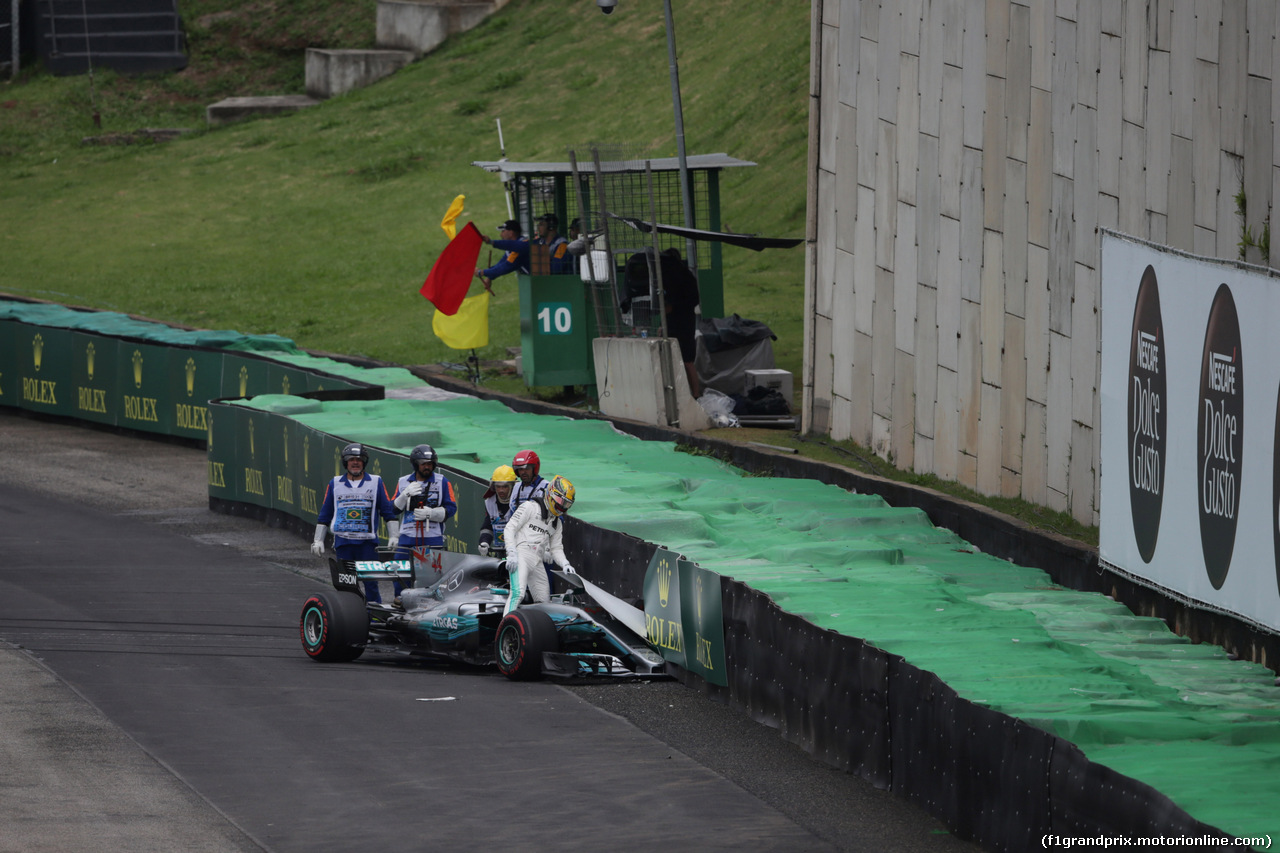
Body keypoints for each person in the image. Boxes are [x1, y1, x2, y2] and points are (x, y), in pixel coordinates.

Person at [312, 443, 399, 603]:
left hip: (368, 544)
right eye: (351, 459)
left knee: (371, 584)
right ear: (345, 462)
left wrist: (394, 536)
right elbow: (325, 514)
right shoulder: (335, 483)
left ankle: (374, 617)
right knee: (346, 585)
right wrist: (318, 539)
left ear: (364, 462)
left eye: (359, 459)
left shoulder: (376, 482)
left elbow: (388, 511)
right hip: (343, 544)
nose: (355, 462)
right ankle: (349, 616)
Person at [502, 474, 577, 615]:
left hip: (537, 561)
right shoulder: (529, 507)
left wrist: (565, 564)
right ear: (551, 494)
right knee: (518, 594)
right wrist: (511, 553)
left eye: (567, 504)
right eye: (561, 501)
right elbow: (509, 528)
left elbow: (556, 548)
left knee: (544, 602)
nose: (562, 506)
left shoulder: (557, 522)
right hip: (521, 556)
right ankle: (504, 630)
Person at [391, 444, 457, 593]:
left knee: (433, 577)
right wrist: (404, 496)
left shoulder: (442, 481)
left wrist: (431, 514)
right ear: (415, 464)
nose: (427, 467)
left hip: (432, 538)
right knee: (399, 571)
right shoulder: (403, 482)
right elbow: (393, 509)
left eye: (430, 464)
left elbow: (451, 508)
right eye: (423, 464)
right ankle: (400, 599)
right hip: (407, 538)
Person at [659, 248, 702, 397]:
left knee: (687, 360)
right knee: (679, 360)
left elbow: (691, 300)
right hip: (676, 321)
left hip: (683, 322)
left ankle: (695, 395)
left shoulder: (682, 276)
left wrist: (673, 306)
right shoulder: (672, 276)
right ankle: (685, 394)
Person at [475, 219, 529, 292]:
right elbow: (501, 264)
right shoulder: (512, 249)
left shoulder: (520, 248)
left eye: (503, 231)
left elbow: (505, 267)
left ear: (511, 233)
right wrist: (489, 277)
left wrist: (482, 272)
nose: (501, 234)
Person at [478, 465, 517, 558]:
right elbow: (487, 526)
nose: (501, 490)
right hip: (499, 550)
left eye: (505, 487)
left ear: (512, 486)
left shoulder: (519, 501)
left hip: (519, 551)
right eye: (498, 487)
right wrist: (484, 542)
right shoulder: (490, 502)